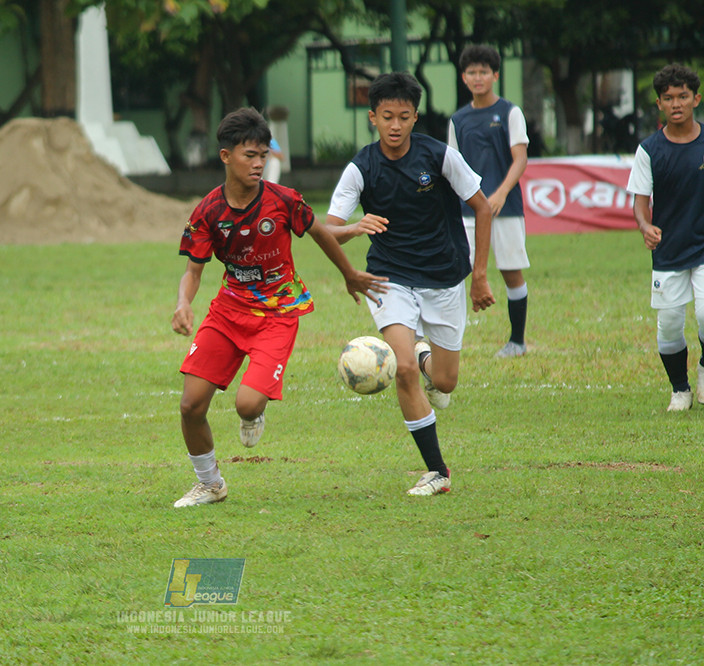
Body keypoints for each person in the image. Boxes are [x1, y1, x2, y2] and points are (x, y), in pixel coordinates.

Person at [171, 107, 385, 507]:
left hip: (278, 314)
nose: (257, 164)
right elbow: (193, 271)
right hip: (228, 312)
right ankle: (210, 484)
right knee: (190, 404)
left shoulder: (282, 200)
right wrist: (184, 303)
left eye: (262, 156)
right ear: (225, 157)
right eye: (248, 156)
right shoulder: (208, 212)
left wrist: (350, 273)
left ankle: (255, 412)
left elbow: (319, 231)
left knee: (246, 404)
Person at [325, 71, 495, 496]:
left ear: (415, 117)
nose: (395, 125)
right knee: (400, 369)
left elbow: (483, 208)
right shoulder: (361, 167)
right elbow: (327, 229)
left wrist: (479, 276)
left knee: (446, 380)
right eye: (387, 116)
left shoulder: (439, 156)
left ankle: (425, 359)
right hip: (389, 277)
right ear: (372, 118)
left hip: (444, 277)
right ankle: (437, 471)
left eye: (403, 116)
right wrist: (355, 227)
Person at [625, 63, 704, 412]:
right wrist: (645, 226)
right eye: (669, 98)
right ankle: (680, 389)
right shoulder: (649, 150)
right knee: (670, 326)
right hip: (669, 250)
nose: (677, 103)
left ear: (696, 99)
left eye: (683, 96)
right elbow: (640, 205)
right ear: (659, 104)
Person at [448, 45, 531, 358]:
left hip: (505, 209)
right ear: (463, 78)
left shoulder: (510, 112)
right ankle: (450, 341)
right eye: (472, 72)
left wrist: (501, 193)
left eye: (484, 71)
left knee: (511, 271)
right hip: (466, 212)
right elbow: (452, 165)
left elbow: (520, 158)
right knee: (457, 272)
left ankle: (518, 342)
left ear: (495, 75)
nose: (478, 77)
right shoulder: (457, 119)